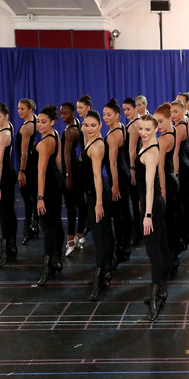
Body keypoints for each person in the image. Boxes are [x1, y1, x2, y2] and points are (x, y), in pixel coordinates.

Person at [136, 114, 172, 321]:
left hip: (151, 204)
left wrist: (147, 214)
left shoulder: (150, 152)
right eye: (141, 129)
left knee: (153, 249)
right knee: (159, 247)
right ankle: (161, 289)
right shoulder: (150, 145)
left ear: (156, 130)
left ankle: (156, 295)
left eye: (147, 130)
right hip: (152, 202)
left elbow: (150, 187)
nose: (143, 133)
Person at [81, 110, 114, 300]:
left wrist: (98, 203)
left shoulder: (97, 146)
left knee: (100, 237)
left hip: (97, 195)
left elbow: (97, 177)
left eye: (94, 125)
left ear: (101, 125)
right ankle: (106, 272)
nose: (90, 128)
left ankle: (99, 279)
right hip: (94, 194)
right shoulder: (91, 141)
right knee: (104, 234)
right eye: (87, 125)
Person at [36, 105, 65, 286]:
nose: (40, 125)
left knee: (47, 226)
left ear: (52, 122)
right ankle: (56, 260)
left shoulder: (46, 142)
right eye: (38, 121)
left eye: (44, 122)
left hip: (47, 186)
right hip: (56, 182)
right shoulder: (55, 136)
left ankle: (47, 268)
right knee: (55, 223)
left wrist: (40, 197)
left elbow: (41, 173)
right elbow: (58, 162)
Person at [103, 99, 133, 264]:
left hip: (119, 175)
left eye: (109, 115)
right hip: (123, 172)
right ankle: (125, 244)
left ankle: (122, 245)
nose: (105, 118)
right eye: (104, 115)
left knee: (119, 212)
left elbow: (113, 162)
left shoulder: (114, 135)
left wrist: (114, 185)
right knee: (123, 210)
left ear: (117, 115)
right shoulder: (121, 127)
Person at [0, 103, 18, 268]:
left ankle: (7, 250)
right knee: (8, 211)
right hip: (8, 173)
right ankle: (11, 247)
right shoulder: (8, 127)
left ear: (6, 116)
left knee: (3, 212)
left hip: (4, 176)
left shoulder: (3, 135)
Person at [154, 103, 181, 272]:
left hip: (166, 182)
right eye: (156, 122)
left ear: (170, 119)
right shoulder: (173, 131)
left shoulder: (164, 139)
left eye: (161, 121)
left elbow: (160, 168)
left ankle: (171, 258)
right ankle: (172, 256)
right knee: (171, 218)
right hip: (171, 178)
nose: (158, 126)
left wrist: (162, 190)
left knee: (168, 221)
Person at [60, 102, 86, 257]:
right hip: (76, 166)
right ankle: (80, 234)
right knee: (80, 203)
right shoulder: (76, 124)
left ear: (73, 112)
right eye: (61, 113)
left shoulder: (71, 130)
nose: (63, 115)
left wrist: (68, 175)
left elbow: (66, 155)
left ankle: (71, 238)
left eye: (66, 113)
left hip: (71, 169)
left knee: (71, 204)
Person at [16, 98, 39, 245]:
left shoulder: (27, 127)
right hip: (34, 162)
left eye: (22, 109)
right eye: (18, 108)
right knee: (35, 195)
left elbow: (24, 152)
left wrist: (21, 170)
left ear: (30, 110)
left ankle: (28, 228)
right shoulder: (36, 120)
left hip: (28, 165)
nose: (19, 111)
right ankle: (35, 225)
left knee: (27, 197)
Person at [172, 99, 189, 251]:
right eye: (171, 112)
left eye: (176, 112)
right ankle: (184, 235)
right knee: (184, 202)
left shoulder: (180, 127)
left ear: (183, 110)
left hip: (181, 165)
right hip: (185, 161)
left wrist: (176, 175)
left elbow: (175, 152)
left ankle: (183, 238)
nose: (173, 115)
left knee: (181, 203)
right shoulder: (185, 120)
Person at [123, 97, 143, 247]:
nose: (126, 112)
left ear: (136, 108)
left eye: (128, 109)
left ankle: (138, 233)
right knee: (137, 201)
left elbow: (132, 150)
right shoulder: (139, 121)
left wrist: (132, 169)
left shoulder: (134, 125)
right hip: (137, 165)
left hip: (134, 165)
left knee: (136, 202)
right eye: (124, 110)